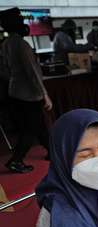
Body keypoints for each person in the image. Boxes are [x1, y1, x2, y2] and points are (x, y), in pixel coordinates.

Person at [0, 7, 52, 173]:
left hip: (15, 91)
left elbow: (4, 70)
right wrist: (45, 94)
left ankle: (53, 151)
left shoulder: (6, 44)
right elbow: (32, 72)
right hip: (29, 93)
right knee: (31, 128)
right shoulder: (21, 44)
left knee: (39, 126)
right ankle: (16, 160)